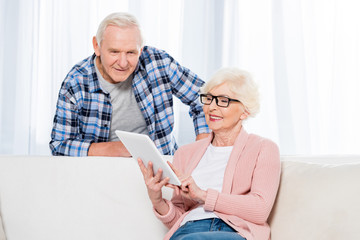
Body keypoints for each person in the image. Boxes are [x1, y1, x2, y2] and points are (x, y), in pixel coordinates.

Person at [138, 68, 281, 240]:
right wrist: (157, 199)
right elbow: (177, 218)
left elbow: (259, 210)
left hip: (233, 232)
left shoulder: (263, 148)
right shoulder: (185, 153)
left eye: (223, 101)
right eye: (209, 99)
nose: (211, 107)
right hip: (186, 232)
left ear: (245, 111)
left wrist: (202, 195)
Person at [49, 12, 210, 156]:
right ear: (97, 46)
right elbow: (59, 145)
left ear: (140, 50)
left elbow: (206, 97)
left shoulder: (159, 63)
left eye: (131, 52)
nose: (123, 63)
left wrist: (200, 149)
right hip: (100, 170)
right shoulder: (76, 82)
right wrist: (112, 149)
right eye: (114, 52)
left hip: (161, 168)